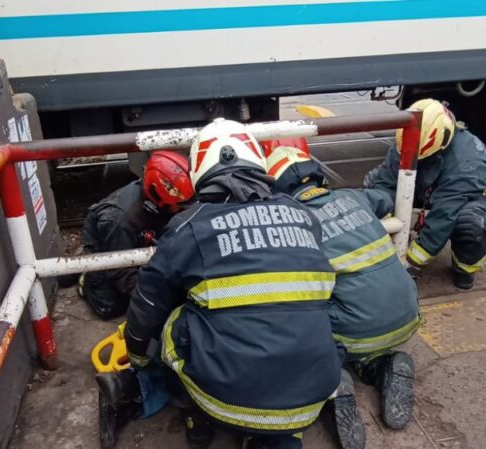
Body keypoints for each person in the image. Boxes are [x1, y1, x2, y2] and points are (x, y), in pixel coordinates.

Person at [97, 118, 343, 449]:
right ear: (257, 159)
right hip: (313, 395)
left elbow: (147, 306)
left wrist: (140, 361)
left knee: (175, 317)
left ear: (200, 171)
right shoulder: (304, 216)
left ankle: (181, 408)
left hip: (225, 400)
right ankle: (276, 436)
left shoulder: (189, 227)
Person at [266, 143, 423, 449]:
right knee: (357, 300)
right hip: (408, 312)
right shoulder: (352, 197)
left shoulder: (291, 223)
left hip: (353, 331)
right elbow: (384, 199)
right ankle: (379, 365)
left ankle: (333, 381)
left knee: (297, 309)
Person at [363, 99, 486, 290]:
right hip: (428, 187)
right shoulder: (410, 135)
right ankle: (392, 247)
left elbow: (444, 213)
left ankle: (465, 267)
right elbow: (386, 182)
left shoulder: (465, 160)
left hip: (469, 197)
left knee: (471, 222)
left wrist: (411, 262)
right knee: (374, 185)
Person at [79, 151, 194, 319]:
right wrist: (154, 298)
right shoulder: (119, 220)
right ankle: (85, 279)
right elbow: (120, 270)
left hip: (139, 234)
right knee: (111, 307)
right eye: (178, 205)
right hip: (108, 245)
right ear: (157, 198)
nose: (182, 208)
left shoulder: (160, 202)